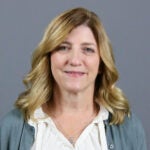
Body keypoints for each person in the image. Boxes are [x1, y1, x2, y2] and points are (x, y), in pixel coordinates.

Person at [0, 7, 147, 150]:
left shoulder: (129, 129)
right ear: (48, 58)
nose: (75, 60)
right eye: (63, 47)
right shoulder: (13, 127)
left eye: (88, 50)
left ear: (102, 63)